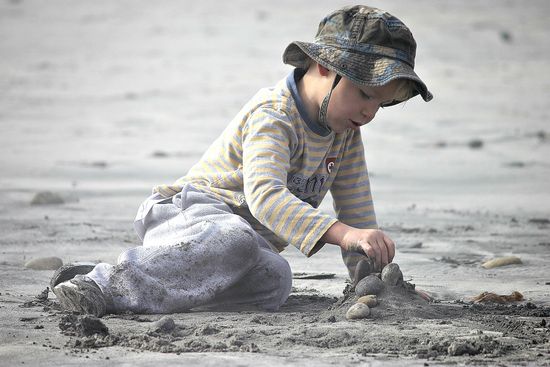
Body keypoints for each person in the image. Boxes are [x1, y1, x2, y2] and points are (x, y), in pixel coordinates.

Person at [53, 5, 432, 317]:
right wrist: (343, 234)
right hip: (189, 214)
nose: (370, 112)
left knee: (275, 279)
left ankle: (147, 284)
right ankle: (100, 283)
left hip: (244, 245)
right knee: (235, 239)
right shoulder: (275, 114)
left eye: (382, 103)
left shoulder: (345, 132)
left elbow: (357, 211)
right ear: (324, 66)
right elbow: (265, 196)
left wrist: (376, 281)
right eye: (364, 94)